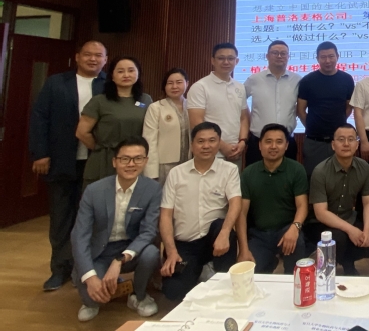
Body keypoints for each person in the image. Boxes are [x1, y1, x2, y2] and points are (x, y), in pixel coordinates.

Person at [29, 40, 107, 291]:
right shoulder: (56, 83)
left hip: (96, 163)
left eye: (98, 55)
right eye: (88, 54)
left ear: (105, 60)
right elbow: (40, 117)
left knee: (92, 218)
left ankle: (86, 269)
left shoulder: (109, 85)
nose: (93, 59)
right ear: (77, 57)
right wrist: (40, 154)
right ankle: (59, 269)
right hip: (61, 160)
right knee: (61, 217)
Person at [70, 136, 161, 322]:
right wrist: (90, 277)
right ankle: (99, 290)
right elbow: (80, 236)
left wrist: (120, 260)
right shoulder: (94, 190)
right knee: (92, 298)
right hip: (100, 251)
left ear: (145, 161)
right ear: (114, 162)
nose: (131, 164)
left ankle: (139, 296)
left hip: (130, 249)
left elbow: (148, 232)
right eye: (125, 159)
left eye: (138, 158)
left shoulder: (153, 189)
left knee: (151, 253)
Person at [160, 122, 242, 301]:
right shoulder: (176, 173)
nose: (206, 146)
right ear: (192, 145)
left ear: (219, 143)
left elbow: (235, 203)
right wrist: (171, 251)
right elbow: (165, 215)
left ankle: (218, 275)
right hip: (185, 244)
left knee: (223, 228)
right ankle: (201, 272)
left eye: (212, 140)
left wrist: (225, 232)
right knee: (173, 292)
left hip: (214, 241)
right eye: (201, 141)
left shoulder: (229, 170)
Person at [236, 123, 308, 274]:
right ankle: (269, 261)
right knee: (249, 273)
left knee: (295, 270)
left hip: (287, 229)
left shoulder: (296, 169)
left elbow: (302, 206)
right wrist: (243, 249)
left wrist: (295, 228)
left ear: (286, 146)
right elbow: (241, 213)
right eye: (268, 141)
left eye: (279, 142)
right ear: (260, 145)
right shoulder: (248, 173)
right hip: (259, 234)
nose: (273, 146)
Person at [308, 123, 369, 275]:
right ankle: (324, 268)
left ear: (357, 144)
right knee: (339, 238)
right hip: (320, 224)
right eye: (341, 139)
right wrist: (351, 230)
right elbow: (320, 213)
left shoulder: (364, 168)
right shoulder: (320, 171)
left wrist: (366, 231)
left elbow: (368, 203)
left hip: (347, 217)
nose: (346, 144)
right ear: (333, 145)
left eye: (351, 139)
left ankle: (346, 260)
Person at [77, 56, 153, 189]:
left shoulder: (145, 100)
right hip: (105, 160)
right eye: (120, 71)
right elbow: (82, 133)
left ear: (138, 74)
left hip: (134, 160)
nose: (126, 75)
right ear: (112, 76)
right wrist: (101, 149)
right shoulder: (99, 101)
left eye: (131, 70)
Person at [297, 41, 355, 176]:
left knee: (341, 179)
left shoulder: (347, 79)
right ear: (317, 58)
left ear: (337, 56)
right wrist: (312, 125)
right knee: (314, 179)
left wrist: (337, 122)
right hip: (314, 141)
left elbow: (348, 108)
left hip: (340, 141)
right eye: (323, 57)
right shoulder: (307, 81)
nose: (327, 61)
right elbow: (300, 110)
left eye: (331, 56)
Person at [187, 43, 249, 166]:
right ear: (212, 60)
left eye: (230, 58)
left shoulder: (240, 87)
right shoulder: (200, 87)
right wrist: (222, 146)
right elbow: (196, 123)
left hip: (235, 150)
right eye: (221, 58)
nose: (226, 62)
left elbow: (244, 118)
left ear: (236, 61)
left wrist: (242, 141)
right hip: (209, 150)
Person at [244, 40, 301, 166]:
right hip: (258, 142)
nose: (279, 56)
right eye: (275, 53)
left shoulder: (297, 80)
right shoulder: (254, 79)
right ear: (267, 56)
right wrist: (248, 117)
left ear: (288, 56)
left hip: (286, 142)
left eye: (283, 53)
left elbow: (302, 105)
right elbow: (239, 102)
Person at [142, 68, 191, 184]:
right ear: (164, 86)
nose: (174, 86)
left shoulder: (192, 106)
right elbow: (149, 141)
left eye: (179, 82)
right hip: (164, 166)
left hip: (188, 163)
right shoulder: (156, 108)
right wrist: (151, 172)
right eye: (170, 83)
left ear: (187, 83)